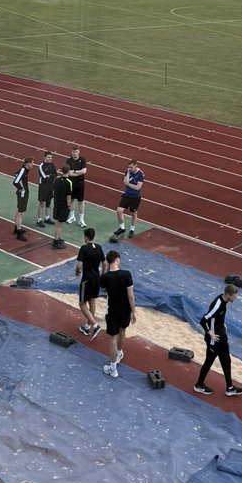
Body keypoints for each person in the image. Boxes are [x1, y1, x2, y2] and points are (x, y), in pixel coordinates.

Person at [194, 283, 242, 397]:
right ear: (228, 295)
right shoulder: (217, 304)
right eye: (234, 296)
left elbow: (217, 317)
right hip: (214, 341)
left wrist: (223, 325)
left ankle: (230, 388)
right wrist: (210, 333)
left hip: (222, 337)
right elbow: (204, 319)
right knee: (208, 362)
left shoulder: (225, 301)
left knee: (226, 361)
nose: (236, 298)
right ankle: (199, 385)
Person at [100, 249, 136, 377]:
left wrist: (104, 270)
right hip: (125, 310)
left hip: (113, 311)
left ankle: (113, 368)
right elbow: (131, 296)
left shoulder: (105, 277)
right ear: (117, 259)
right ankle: (119, 353)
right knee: (122, 331)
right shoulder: (127, 274)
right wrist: (133, 311)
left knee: (112, 338)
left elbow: (103, 289)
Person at [75, 226, 106, 338]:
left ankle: (95, 325)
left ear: (86, 237)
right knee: (92, 301)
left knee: (82, 303)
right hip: (96, 278)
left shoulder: (84, 248)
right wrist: (103, 275)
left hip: (87, 279)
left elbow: (79, 264)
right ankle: (88, 327)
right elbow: (104, 263)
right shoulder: (98, 247)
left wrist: (77, 270)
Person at [113, 158, 145, 238]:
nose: (129, 168)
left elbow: (138, 187)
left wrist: (128, 184)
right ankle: (122, 228)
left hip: (135, 197)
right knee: (119, 211)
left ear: (135, 166)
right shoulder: (128, 171)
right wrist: (128, 173)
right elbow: (125, 181)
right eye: (129, 167)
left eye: (131, 167)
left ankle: (132, 230)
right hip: (127, 195)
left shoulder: (141, 174)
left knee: (134, 214)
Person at [65, 144, 87, 226]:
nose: (75, 153)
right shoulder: (69, 160)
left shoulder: (82, 160)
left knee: (81, 201)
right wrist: (78, 172)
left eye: (76, 152)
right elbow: (68, 173)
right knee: (71, 200)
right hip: (71, 183)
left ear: (79, 152)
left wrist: (74, 172)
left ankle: (81, 220)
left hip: (80, 184)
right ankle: (72, 216)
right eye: (73, 152)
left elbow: (84, 171)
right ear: (71, 152)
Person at [12, 157, 33, 241]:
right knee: (21, 213)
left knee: (19, 211)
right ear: (26, 164)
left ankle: (17, 228)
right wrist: (22, 189)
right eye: (31, 163)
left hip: (22, 193)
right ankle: (19, 233)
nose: (33, 164)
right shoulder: (23, 170)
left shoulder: (24, 170)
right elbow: (15, 181)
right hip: (23, 194)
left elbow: (16, 174)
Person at [50, 167, 71, 249]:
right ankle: (55, 242)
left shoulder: (57, 179)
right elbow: (68, 196)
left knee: (59, 223)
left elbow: (53, 190)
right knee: (60, 223)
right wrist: (69, 206)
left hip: (56, 204)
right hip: (63, 205)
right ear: (68, 171)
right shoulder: (69, 182)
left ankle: (57, 238)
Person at [35, 150, 57, 227]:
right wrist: (51, 176)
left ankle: (47, 218)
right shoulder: (41, 166)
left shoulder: (52, 164)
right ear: (44, 157)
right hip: (43, 187)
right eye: (48, 157)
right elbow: (44, 178)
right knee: (42, 203)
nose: (50, 159)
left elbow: (55, 174)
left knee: (48, 203)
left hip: (51, 186)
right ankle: (39, 219)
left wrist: (50, 176)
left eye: (51, 157)